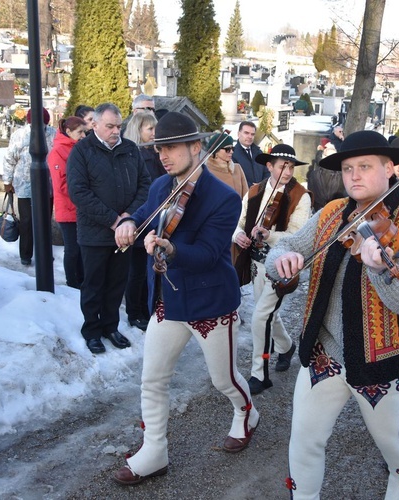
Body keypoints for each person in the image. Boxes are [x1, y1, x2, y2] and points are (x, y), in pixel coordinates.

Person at [266, 130, 399, 499]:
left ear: (390, 168)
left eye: (365, 166)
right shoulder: (333, 212)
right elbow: (287, 246)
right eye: (348, 169)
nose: (355, 176)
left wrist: (379, 270)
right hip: (325, 352)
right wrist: (280, 260)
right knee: (304, 438)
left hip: (382, 360)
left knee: (392, 443)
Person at [111, 112, 259, 486]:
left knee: (223, 379)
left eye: (173, 147)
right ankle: (154, 450)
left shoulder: (224, 198)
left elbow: (210, 254)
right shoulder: (162, 186)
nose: (164, 154)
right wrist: (128, 223)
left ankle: (246, 412)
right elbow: (145, 215)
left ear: (197, 147)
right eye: (160, 147)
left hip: (210, 303)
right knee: (153, 379)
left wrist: (170, 248)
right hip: (170, 300)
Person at [67, 103, 150, 354]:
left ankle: (110, 326)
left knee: (116, 283)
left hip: (124, 233)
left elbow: (144, 185)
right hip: (95, 233)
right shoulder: (82, 151)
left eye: (119, 126)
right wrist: (114, 220)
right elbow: (78, 192)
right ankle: (92, 330)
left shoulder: (130, 149)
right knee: (93, 284)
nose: (116, 131)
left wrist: (128, 217)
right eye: (110, 126)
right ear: (95, 125)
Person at [232, 144, 311, 394]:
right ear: (269, 166)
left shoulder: (301, 196)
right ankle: (286, 347)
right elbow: (240, 221)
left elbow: (298, 234)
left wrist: (269, 236)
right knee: (267, 314)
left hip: (281, 265)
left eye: (290, 166)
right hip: (256, 262)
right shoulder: (255, 191)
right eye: (282, 166)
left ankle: (259, 373)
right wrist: (238, 236)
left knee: (260, 317)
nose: (287, 172)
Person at [122, 111, 166, 331]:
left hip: (155, 218)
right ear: (138, 131)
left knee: (148, 269)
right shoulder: (136, 156)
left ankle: (147, 308)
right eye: (150, 129)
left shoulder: (155, 153)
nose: (154, 133)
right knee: (137, 271)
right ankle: (135, 312)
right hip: (142, 217)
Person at [2, 107, 56, 266]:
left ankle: (45, 252)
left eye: (44, 125)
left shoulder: (53, 134)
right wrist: (7, 181)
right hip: (25, 185)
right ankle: (26, 254)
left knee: (45, 221)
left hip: (47, 186)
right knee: (27, 222)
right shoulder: (20, 135)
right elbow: (9, 158)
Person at [48, 116, 87, 288]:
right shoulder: (58, 151)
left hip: (79, 206)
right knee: (72, 249)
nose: (83, 135)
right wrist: (83, 194)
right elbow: (62, 184)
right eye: (80, 132)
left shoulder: (76, 147)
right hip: (68, 207)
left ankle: (81, 278)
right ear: (69, 132)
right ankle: (72, 282)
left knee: (80, 248)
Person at [204, 133, 249, 198]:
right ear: (216, 151)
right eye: (227, 149)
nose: (231, 151)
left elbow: (246, 195)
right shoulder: (207, 171)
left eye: (232, 148)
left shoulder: (237, 168)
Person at [232, 121, 268, 186]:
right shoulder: (233, 154)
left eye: (252, 134)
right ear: (238, 134)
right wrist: (253, 187)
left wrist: (262, 184)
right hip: (244, 193)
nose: (250, 136)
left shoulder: (259, 152)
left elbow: (267, 172)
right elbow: (235, 178)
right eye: (246, 133)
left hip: (261, 191)